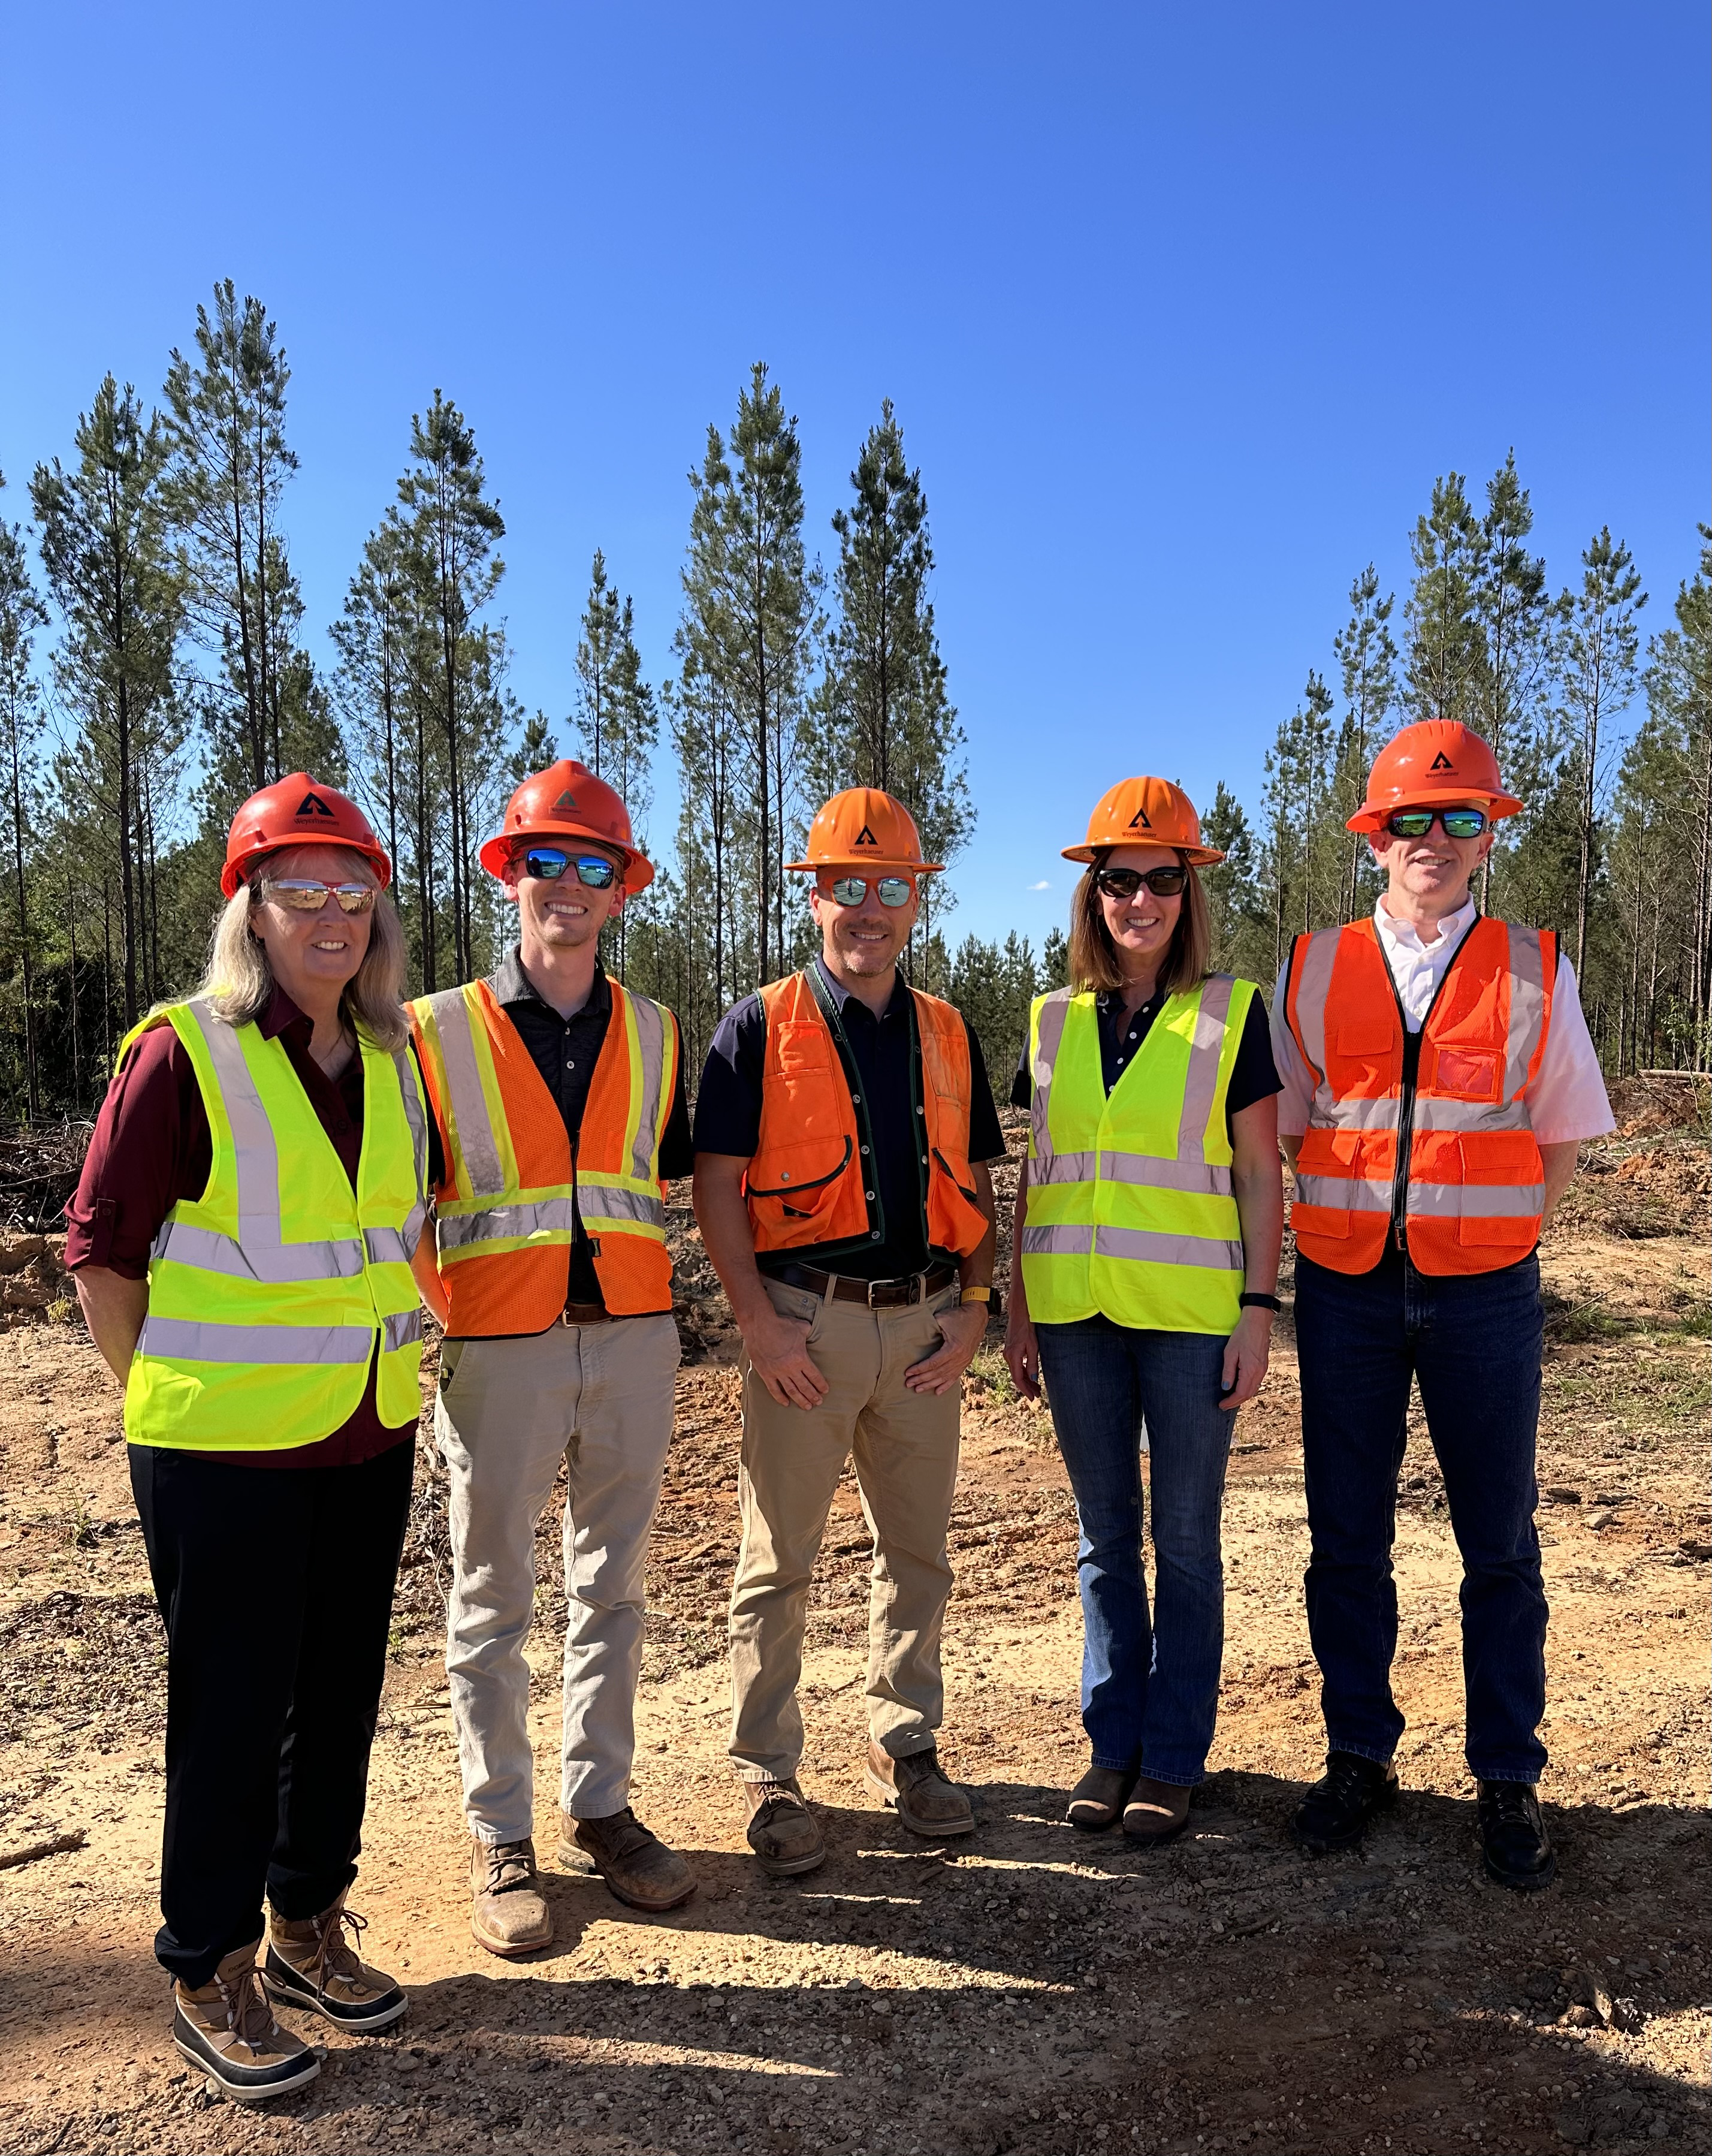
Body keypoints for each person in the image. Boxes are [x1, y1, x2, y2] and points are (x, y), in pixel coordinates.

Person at [67, 775, 434, 2103]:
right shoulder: (185, 1049)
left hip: (363, 1431)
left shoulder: (392, 1057)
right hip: (220, 1451)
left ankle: (301, 1924)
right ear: (254, 907)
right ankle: (206, 1963)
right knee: (229, 1712)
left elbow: (397, 1238)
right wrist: (160, 1397)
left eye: (354, 894)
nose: (332, 917)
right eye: (301, 890)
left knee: (335, 1696)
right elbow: (104, 1260)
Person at [1272, 719, 1614, 1890]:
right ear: (1378, 838)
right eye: (1412, 818)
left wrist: (1498, 1234)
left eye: (1460, 817)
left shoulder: (1536, 969)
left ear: (1486, 837)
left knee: (1500, 1545)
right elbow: (1283, 1131)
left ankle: (1507, 1772)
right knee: (1345, 1538)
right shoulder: (1311, 969)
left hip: (1484, 1299)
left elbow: (1562, 1133)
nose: (1435, 838)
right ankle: (1360, 1752)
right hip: (1346, 1291)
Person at [410, 761, 696, 1955]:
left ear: (619, 890)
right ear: (510, 875)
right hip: (500, 1348)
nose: (567, 886)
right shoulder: (431, 1032)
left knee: (613, 1587)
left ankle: (601, 1806)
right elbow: (405, 1210)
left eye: (594, 867)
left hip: (630, 1338)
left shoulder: (659, 1031)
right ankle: (501, 1833)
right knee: (492, 1595)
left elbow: (660, 1183)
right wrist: (454, 1324)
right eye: (547, 862)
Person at [693, 788, 1005, 1877]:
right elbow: (719, 1189)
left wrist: (974, 1311)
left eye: (889, 888)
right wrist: (760, 1329)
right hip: (807, 1328)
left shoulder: (949, 1031)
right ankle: (771, 1772)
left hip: (924, 1328)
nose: (866, 909)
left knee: (917, 1552)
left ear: (916, 899)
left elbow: (976, 1187)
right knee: (777, 1561)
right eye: (844, 887)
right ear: (812, 896)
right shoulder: (756, 1026)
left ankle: (905, 1737)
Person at [1004, 777, 1284, 1844]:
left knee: (1188, 1540)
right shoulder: (1050, 1020)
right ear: (1093, 894)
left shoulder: (1234, 1015)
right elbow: (1039, 1172)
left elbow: (1261, 1174)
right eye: (1119, 881)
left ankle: (1173, 1759)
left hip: (1189, 1316)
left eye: (1162, 881)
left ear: (1187, 894)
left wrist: (1258, 1309)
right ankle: (1111, 1745)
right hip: (1075, 1315)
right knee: (1103, 1538)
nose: (1139, 901)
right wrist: (1020, 1307)